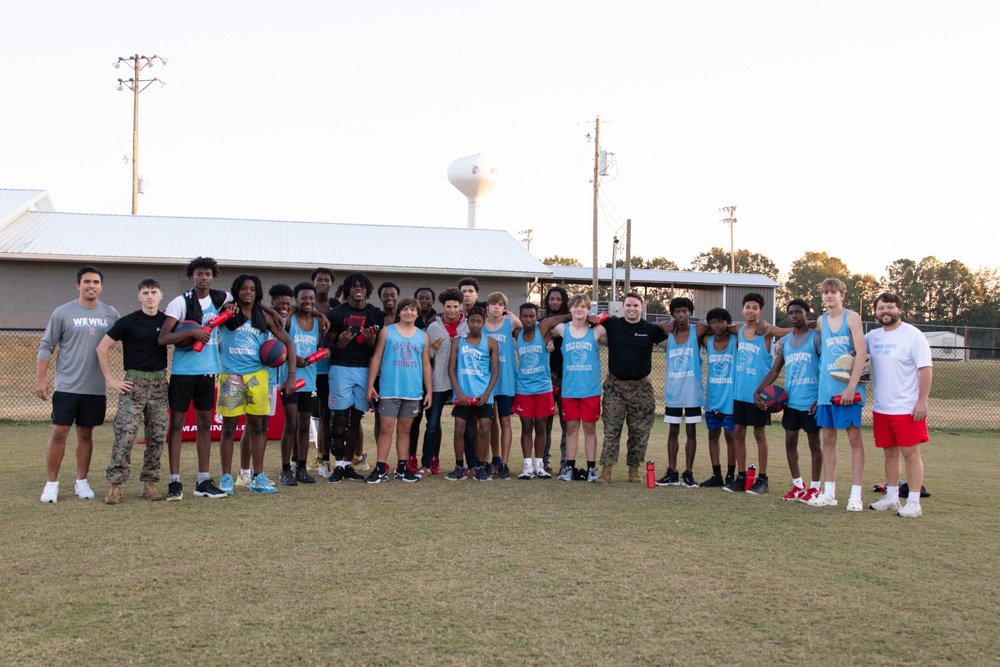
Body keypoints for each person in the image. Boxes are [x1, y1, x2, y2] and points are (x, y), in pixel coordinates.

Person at [37, 266, 120, 503]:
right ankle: (51, 484)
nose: (91, 285)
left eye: (95, 282)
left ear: (101, 286)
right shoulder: (63, 312)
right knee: (59, 431)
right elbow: (46, 345)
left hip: (94, 387)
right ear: (78, 285)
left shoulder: (110, 313)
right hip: (67, 386)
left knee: (86, 433)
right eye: (86, 282)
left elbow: (129, 332)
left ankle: (81, 482)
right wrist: (40, 379)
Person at [157, 257, 232, 501]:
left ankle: (202, 480)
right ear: (192, 277)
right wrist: (191, 332)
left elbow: (244, 301)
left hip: (209, 371)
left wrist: (234, 309)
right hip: (183, 372)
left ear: (213, 276)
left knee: (205, 425)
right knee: (177, 424)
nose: (204, 277)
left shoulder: (221, 298)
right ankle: (175, 481)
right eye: (199, 273)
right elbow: (163, 338)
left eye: (208, 274)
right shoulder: (179, 303)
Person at [216, 274, 298, 494]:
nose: (248, 292)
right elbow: (214, 301)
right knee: (229, 428)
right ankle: (226, 478)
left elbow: (288, 343)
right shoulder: (227, 312)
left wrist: (291, 375)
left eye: (252, 289)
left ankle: (258, 477)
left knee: (258, 428)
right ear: (236, 291)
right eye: (243, 288)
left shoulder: (263, 317)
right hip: (231, 376)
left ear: (257, 293)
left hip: (257, 377)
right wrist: (230, 303)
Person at [97, 278, 169, 505]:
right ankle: (115, 486)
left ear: (160, 295)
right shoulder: (128, 322)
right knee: (125, 436)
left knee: (156, 437)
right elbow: (102, 347)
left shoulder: (168, 321)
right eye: (145, 292)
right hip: (133, 385)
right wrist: (111, 379)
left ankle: (149, 484)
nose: (150, 296)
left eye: (153, 292)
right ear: (139, 296)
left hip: (158, 385)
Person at [865, 292, 932, 518]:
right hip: (882, 407)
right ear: (875, 311)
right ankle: (892, 497)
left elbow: (925, 369)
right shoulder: (872, 337)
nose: (885, 312)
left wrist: (921, 401)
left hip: (907, 407)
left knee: (911, 454)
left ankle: (913, 502)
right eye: (881, 308)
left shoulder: (913, 335)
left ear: (900, 310)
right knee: (889, 453)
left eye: (890, 307)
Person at [806, 278, 868, 511]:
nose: (829, 296)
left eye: (834, 292)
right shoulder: (822, 321)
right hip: (826, 390)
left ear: (842, 295)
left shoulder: (851, 317)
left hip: (848, 388)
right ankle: (829, 493)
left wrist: (852, 387)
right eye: (825, 292)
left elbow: (861, 354)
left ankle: (855, 495)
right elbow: (800, 329)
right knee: (828, 440)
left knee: (854, 440)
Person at [753, 299, 823, 502]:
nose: (794, 316)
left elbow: (825, 369)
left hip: (811, 401)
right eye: (791, 312)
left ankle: (815, 487)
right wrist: (758, 390)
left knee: (814, 444)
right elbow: (775, 370)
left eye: (798, 312)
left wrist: (820, 398)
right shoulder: (785, 342)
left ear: (807, 314)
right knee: (790, 442)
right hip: (791, 402)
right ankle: (798, 485)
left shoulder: (816, 338)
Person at [596, 292, 667, 484]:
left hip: (641, 388)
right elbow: (590, 327)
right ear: (622, 307)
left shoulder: (650, 329)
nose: (632, 309)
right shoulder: (612, 324)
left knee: (639, 430)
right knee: (611, 428)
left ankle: (634, 470)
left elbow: (671, 344)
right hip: (615, 387)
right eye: (628, 305)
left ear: (642, 308)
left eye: (636, 305)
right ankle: (606, 471)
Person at [365, 297, 432, 483]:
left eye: (412, 310)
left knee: (405, 430)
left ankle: (402, 469)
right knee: (386, 429)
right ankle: (380, 469)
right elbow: (377, 358)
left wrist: (429, 391)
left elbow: (426, 365)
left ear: (417, 314)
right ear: (399, 312)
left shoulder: (423, 336)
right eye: (405, 309)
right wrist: (370, 385)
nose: (409, 313)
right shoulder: (388, 332)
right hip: (389, 389)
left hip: (412, 391)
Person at [325, 272, 384, 483]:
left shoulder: (375, 314)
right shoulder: (337, 313)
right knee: (339, 418)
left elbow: (375, 350)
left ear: (367, 290)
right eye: (354, 286)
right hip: (341, 368)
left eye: (362, 286)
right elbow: (326, 348)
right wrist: (340, 344)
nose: (358, 289)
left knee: (355, 418)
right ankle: (338, 464)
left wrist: (369, 342)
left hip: (364, 370)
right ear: (348, 289)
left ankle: (348, 464)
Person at [724, 292, 784, 495]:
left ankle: (763, 479)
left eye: (755, 308)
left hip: (759, 394)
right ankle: (742, 477)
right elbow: (713, 325)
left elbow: (791, 330)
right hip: (740, 392)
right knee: (738, 432)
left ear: (760, 311)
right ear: (742, 309)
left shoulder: (766, 331)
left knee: (759, 433)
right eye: (747, 307)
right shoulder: (739, 329)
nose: (750, 311)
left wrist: (765, 323)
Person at [237, 283, 294, 488]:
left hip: (271, 381)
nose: (284, 307)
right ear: (271, 303)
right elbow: (255, 302)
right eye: (280, 304)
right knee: (250, 426)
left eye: (288, 304)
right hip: (254, 376)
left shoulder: (283, 321)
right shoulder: (262, 314)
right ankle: (244, 472)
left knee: (262, 426)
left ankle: (257, 473)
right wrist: (269, 309)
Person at [549, 294, 607, 482]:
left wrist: (598, 320)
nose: (579, 309)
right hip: (570, 389)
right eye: (575, 306)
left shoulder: (597, 331)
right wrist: (548, 340)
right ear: (570, 309)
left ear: (588, 309)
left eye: (583, 306)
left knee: (590, 428)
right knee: (572, 428)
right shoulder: (563, 329)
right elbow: (545, 325)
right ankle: (570, 467)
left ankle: (591, 468)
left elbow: (614, 337)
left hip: (590, 388)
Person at [278, 282, 326, 486]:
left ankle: (302, 468)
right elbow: (279, 342)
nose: (308, 301)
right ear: (296, 299)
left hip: (309, 380)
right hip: (289, 379)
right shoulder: (289, 319)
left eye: (311, 298)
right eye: (303, 298)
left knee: (305, 426)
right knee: (291, 424)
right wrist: (293, 356)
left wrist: (319, 315)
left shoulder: (319, 322)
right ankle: (285, 469)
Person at [446, 306, 499, 482]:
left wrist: (487, 394)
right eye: (472, 321)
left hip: (483, 395)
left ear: (484, 322)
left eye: (479, 321)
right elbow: (451, 370)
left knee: (485, 430)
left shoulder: (491, 342)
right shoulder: (457, 342)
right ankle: (460, 466)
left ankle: (481, 467)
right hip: (463, 396)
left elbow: (496, 371)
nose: (475, 324)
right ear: (467, 322)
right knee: (459, 430)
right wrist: (459, 393)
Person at [655, 297, 703, 489]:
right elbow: (651, 324)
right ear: (672, 314)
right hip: (673, 393)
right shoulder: (670, 335)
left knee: (691, 430)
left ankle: (688, 472)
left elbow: (712, 325)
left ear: (690, 312)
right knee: (673, 430)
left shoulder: (696, 331)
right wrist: (667, 324)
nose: (681, 315)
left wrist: (689, 322)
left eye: (685, 311)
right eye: (677, 312)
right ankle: (672, 471)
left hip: (692, 393)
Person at [423, 289, 468, 475]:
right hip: (439, 381)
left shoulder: (467, 326)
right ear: (442, 307)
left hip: (462, 383)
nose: (452, 310)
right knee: (432, 425)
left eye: (455, 306)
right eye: (448, 306)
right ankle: (427, 464)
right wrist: (432, 350)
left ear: (460, 306)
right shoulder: (433, 327)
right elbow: (425, 357)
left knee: (466, 427)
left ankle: (468, 464)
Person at [513, 303, 561, 479]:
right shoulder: (517, 333)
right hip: (524, 388)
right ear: (520, 317)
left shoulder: (542, 330)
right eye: (525, 316)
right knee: (526, 426)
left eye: (532, 316)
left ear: (536, 316)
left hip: (543, 388)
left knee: (541, 425)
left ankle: (539, 465)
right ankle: (527, 466)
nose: (528, 320)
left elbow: (559, 318)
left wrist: (584, 316)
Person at [483, 292, 522, 479]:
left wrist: (516, 318)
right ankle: (493, 458)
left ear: (505, 307)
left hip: (506, 380)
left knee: (505, 421)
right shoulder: (481, 325)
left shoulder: (510, 323)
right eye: (493, 304)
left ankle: (504, 463)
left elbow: (528, 329)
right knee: (489, 421)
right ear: (487, 306)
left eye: (500, 304)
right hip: (486, 381)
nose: (496, 307)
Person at [698, 308, 738, 487]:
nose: (718, 325)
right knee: (713, 435)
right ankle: (716, 474)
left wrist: (730, 328)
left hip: (730, 397)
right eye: (713, 322)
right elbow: (698, 329)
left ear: (727, 323)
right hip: (713, 397)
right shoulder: (708, 340)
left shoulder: (735, 340)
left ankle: (731, 475)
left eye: (721, 322)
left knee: (731, 436)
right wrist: (708, 327)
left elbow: (743, 329)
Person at [310, 268, 335, 477]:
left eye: (327, 280)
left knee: (326, 415)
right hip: (305, 368)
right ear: (313, 282)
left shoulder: (335, 307)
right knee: (303, 417)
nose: (323, 283)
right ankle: (295, 461)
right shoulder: (303, 306)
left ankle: (325, 459)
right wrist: (317, 313)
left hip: (328, 370)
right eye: (319, 279)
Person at [542, 285, 570, 473]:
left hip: (566, 379)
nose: (555, 302)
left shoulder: (572, 325)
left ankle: (566, 463)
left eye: (558, 299)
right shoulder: (541, 322)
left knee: (567, 424)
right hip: (545, 380)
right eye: (552, 299)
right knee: (545, 423)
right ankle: (543, 462)